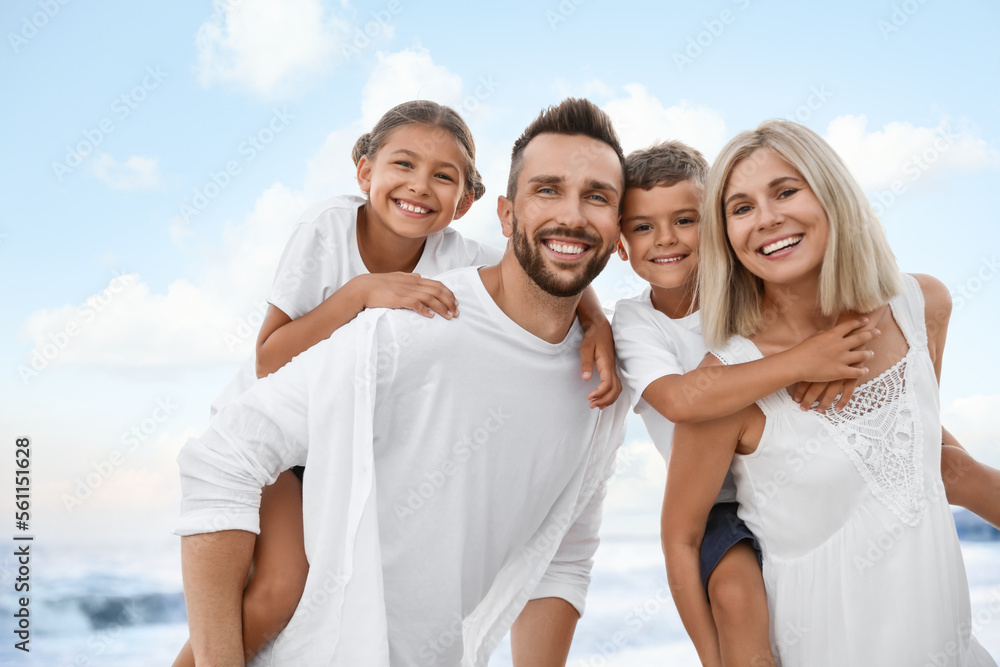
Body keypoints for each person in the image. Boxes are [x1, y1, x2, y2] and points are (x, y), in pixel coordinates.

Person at [175, 97, 630, 666]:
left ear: (467, 202)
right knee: (278, 587)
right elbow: (265, 368)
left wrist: (597, 321)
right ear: (364, 170)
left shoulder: (459, 259)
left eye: (597, 197)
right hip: (278, 420)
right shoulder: (337, 244)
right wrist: (359, 295)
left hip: (335, 444)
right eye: (548, 189)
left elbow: (555, 257)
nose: (419, 187)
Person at [661, 120, 997, 665]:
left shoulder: (920, 306)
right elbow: (684, 540)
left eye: (786, 190)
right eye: (741, 208)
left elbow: (922, 458)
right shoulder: (726, 386)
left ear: (830, 192)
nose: (768, 219)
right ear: (725, 236)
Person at [612, 141, 881, 666]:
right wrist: (804, 361)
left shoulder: (758, 289)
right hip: (717, 503)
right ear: (621, 244)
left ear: (713, 225)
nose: (665, 239)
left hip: (802, 473)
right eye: (642, 227)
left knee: (942, 462)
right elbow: (677, 400)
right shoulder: (635, 321)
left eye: (685, 220)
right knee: (736, 594)